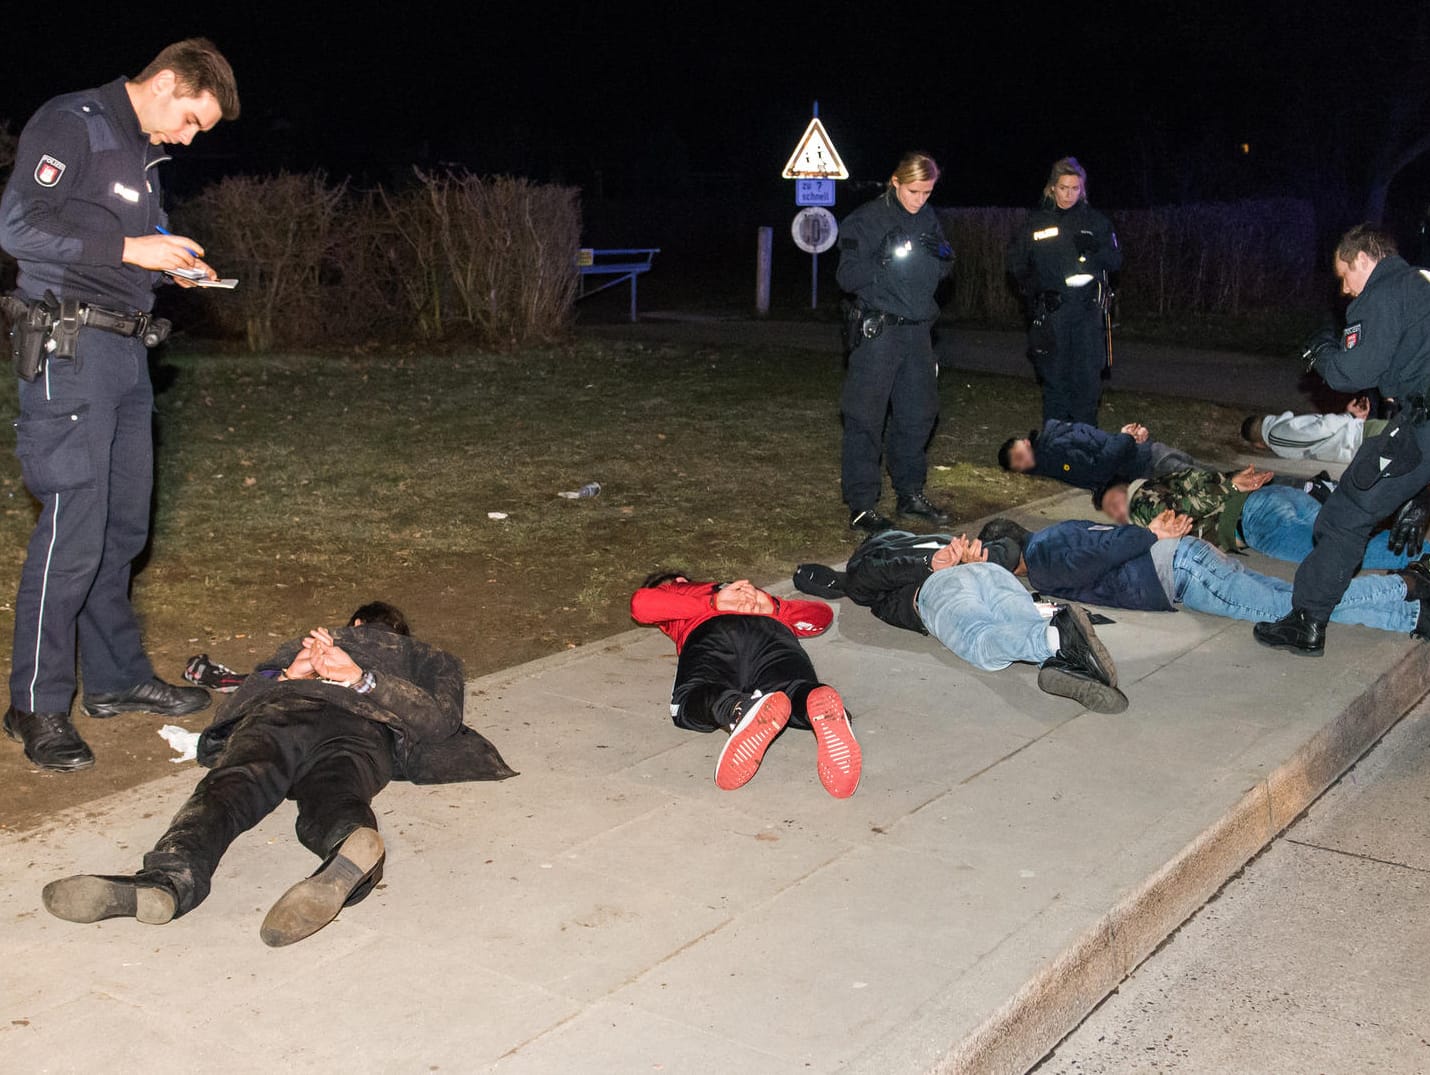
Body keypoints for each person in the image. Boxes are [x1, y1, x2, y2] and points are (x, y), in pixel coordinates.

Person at [0, 40, 241, 773]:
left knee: (122, 525)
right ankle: (34, 705)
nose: (191, 137)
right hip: (68, 348)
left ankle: (114, 680)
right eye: (193, 119)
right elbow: (18, 226)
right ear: (166, 83)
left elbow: (125, 248)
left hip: (128, 353)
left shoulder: (139, 154)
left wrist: (173, 262)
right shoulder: (73, 122)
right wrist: (135, 248)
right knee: (74, 524)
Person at [38, 602, 516, 946]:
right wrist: (300, 670)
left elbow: (230, 713)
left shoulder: (406, 654)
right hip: (362, 734)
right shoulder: (428, 658)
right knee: (335, 797)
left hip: (288, 716)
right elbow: (439, 722)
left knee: (231, 788)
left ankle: (167, 880)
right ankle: (349, 849)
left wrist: (315, 675)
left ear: (357, 624)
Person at [1257, 224, 1430, 726]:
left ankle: (1306, 622)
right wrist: (1423, 492)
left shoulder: (1387, 287)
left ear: (1364, 258)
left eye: (1345, 278)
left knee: (1347, 511)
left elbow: (1350, 372)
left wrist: (1322, 350)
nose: (1345, 293)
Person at [978, 516, 1430, 662]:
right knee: (1292, 601)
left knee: (1292, 608)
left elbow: (1099, 555)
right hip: (1187, 564)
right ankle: (1412, 616)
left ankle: (1407, 585)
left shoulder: (1041, 557)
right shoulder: (1052, 537)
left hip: (1183, 572)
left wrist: (1149, 536)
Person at [831, 529, 1128, 713]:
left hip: (939, 589)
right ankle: (1066, 662)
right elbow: (1012, 546)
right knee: (1020, 620)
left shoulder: (882, 556)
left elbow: (860, 582)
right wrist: (982, 557)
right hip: (989, 574)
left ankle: (1055, 639)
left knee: (982, 644)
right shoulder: (943, 538)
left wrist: (927, 564)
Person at [629, 571, 860, 798]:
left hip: (714, 632)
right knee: (792, 690)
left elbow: (641, 605)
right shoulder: (754, 596)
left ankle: (738, 708)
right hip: (774, 634)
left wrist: (713, 603)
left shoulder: (681, 593)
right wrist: (774, 607)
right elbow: (822, 617)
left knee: (691, 700)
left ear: (678, 582)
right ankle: (811, 699)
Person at [835, 151, 954, 533]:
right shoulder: (866, 220)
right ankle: (862, 504)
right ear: (896, 182)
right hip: (880, 333)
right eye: (915, 191)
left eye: (928, 192)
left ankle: (910, 493)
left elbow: (941, 263)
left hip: (918, 331)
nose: (920, 200)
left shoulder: (928, 218)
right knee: (865, 418)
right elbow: (846, 277)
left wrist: (944, 257)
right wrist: (882, 259)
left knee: (918, 415)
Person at [1096, 465, 1430, 568]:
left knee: (1338, 551)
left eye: (1112, 502)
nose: (1115, 511)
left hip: (1257, 521)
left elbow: (1184, 515)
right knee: (1348, 533)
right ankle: (1424, 539)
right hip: (1277, 498)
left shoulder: (1143, 500)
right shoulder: (1169, 478)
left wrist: (1230, 489)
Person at [1006, 157, 1122, 427]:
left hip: (1086, 314)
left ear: (1082, 189)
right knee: (1055, 381)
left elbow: (1116, 261)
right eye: (1063, 188)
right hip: (1052, 314)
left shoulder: (1095, 221)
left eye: (1075, 188)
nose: (1069, 194)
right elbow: (1016, 264)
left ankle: (1086, 444)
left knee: (1086, 383)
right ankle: (1056, 448)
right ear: (1052, 188)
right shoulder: (1036, 222)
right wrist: (1036, 294)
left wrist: (1095, 248)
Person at [998, 418, 1207, 488]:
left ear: (1026, 442)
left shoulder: (1052, 451)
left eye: (1020, 455)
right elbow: (1100, 453)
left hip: (1148, 462)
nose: (1024, 462)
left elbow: (1098, 469)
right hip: (1147, 458)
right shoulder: (1054, 439)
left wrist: (1126, 437)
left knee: (1216, 482)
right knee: (1217, 481)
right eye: (1019, 465)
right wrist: (1125, 437)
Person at [1241, 396, 1385, 465]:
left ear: (1258, 444)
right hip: (1363, 442)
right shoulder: (1278, 436)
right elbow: (1318, 436)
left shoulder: (1276, 437)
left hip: (1364, 437)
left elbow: (1319, 431)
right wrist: (1349, 417)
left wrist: (1350, 416)